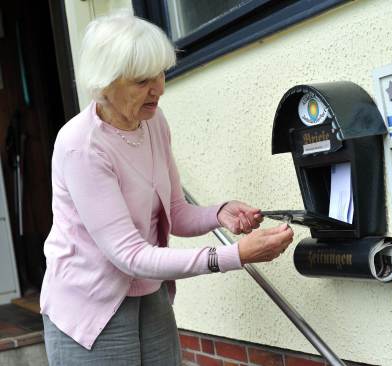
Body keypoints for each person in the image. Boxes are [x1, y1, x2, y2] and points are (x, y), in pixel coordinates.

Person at [40, 11, 294, 366]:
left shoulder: (153, 122)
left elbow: (174, 212)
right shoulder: (81, 146)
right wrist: (234, 256)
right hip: (90, 306)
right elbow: (129, 254)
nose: (159, 87)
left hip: (148, 292)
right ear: (105, 83)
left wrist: (219, 213)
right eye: (143, 79)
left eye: (160, 72)